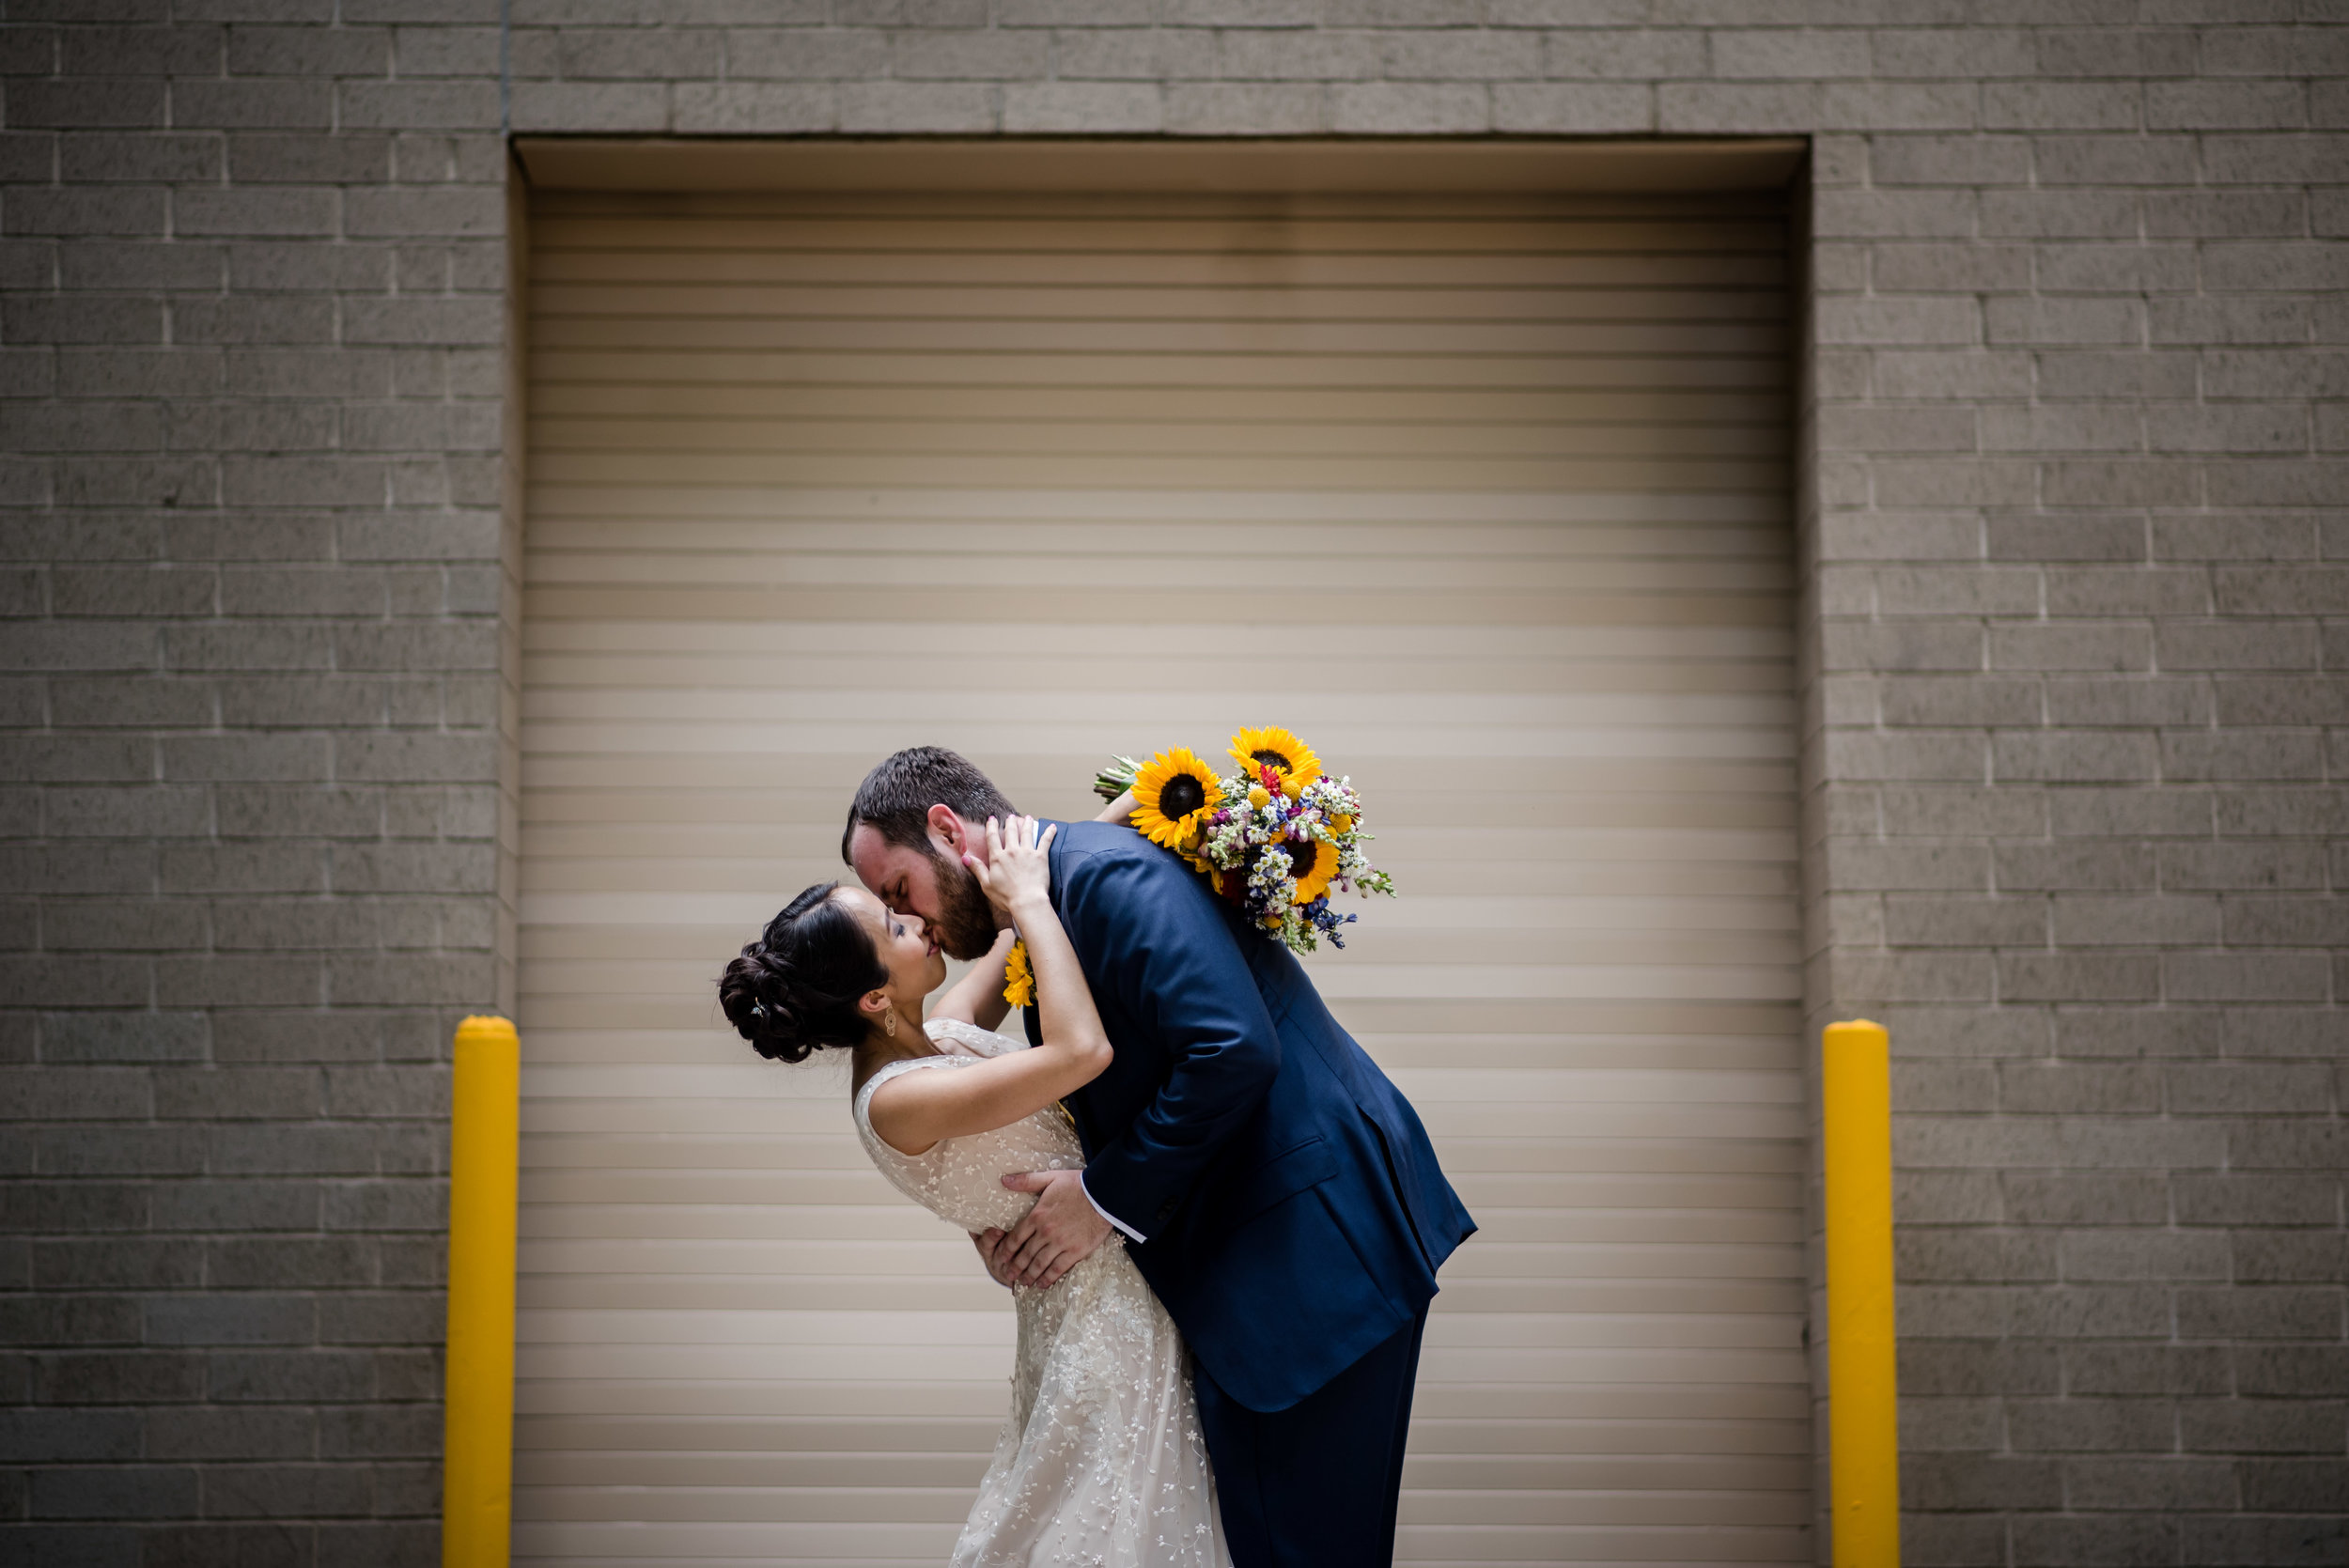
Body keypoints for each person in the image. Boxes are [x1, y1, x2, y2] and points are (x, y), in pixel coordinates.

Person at [844, 746, 1476, 1568]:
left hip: (1314, 1251)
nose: (917, 922)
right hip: (1249, 1261)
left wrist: (1100, 1196)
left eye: (901, 894)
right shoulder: (1055, 896)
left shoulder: (1101, 878)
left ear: (946, 829)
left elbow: (1235, 1050)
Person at [719, 814, 1227, 1567]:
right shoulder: (897, 1098)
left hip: (1107, 1295)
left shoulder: (939, 1039)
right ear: (872, 999)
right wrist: (1031, 900)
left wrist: (1063, 844)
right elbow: (1081, 1051)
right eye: (895, 927)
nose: (921, 925)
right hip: (1103, 1323)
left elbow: (1002, 946)